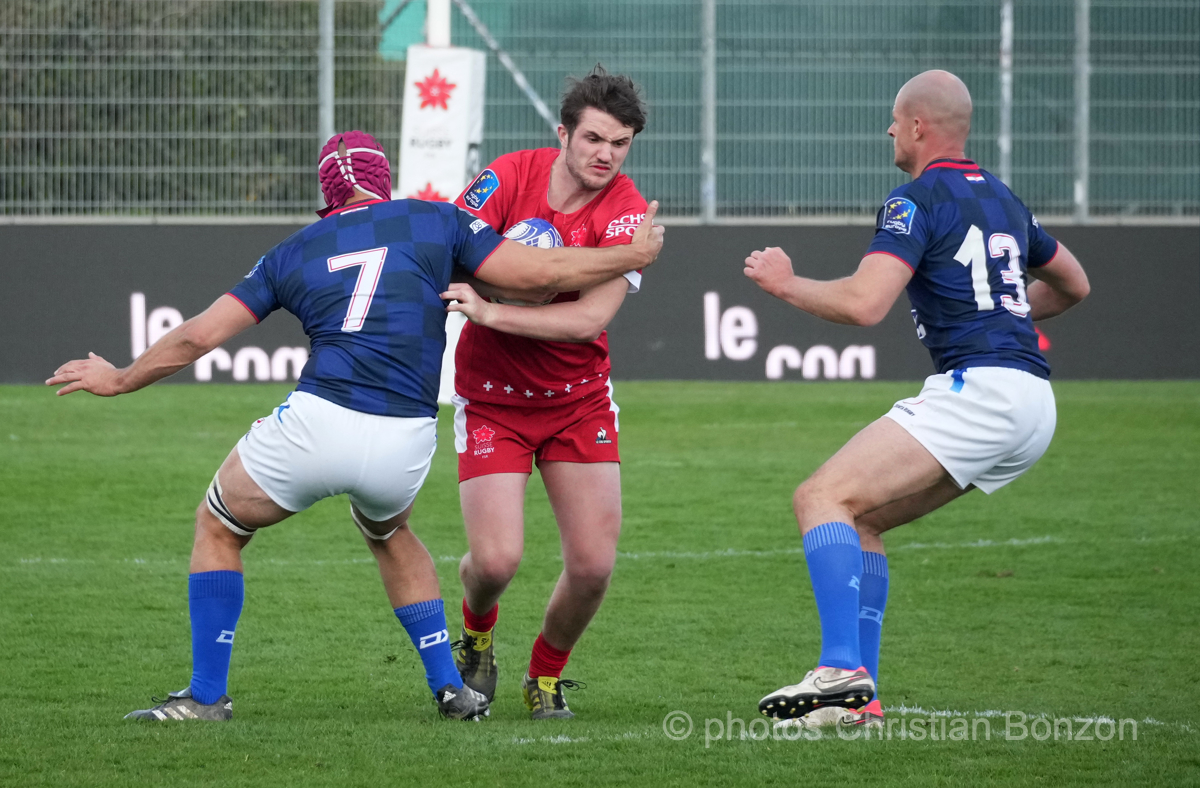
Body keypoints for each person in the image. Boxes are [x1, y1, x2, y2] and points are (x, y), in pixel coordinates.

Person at [46, 130, 663, 723]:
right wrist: (632, 256)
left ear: (326, 194)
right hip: (406, 441)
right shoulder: (435, 220)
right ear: (385, 180)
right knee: (389, 531)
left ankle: (206, 696)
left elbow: (196, 337)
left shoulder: (290, 252)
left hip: (321, 423)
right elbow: (542, 274)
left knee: (219, 524)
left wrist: (122, 377)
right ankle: (450, 687)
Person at [743, 71, 1091, 728]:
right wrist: (1006, 319)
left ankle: (839, 667)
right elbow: (1074, 284)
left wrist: (785, 284)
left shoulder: (915, 200)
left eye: (895, 120)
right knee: (863, 519)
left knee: (819, 498)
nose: (889, 131)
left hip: (981, 389)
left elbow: (864, 303)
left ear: (920, 126)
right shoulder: (1006, 200)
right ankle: (860, 703)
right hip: (1033, 403)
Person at [441, 66, 649, 720]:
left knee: (592, 567)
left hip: (577, 400)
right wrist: (503, 287)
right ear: (563, 133)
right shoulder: (506, 176)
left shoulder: (627, 214)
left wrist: (496, 306)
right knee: (496, 561)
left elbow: (588, 319)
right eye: (593, 138)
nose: (605, 154)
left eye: (620, 143)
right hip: (492, 398)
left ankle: (546, 675)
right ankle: (476, 631)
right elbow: (455, 252)